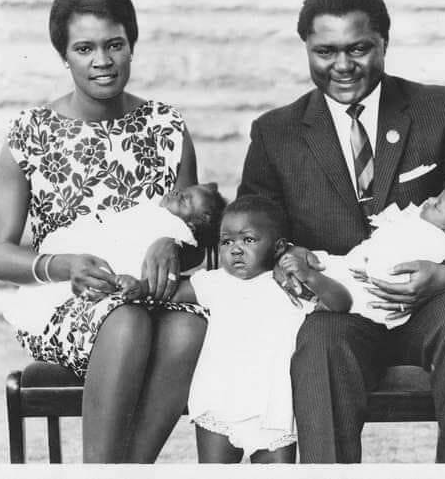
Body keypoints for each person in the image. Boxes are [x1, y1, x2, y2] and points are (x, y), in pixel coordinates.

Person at [238, 0, 445, 463]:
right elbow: (252, 227)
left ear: (384, 42)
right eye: (325, 51)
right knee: (318, 343)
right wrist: (286, 257)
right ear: (307, 50)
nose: (342, 65)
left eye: (359, 48)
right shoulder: (276, 133)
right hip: (339, 308)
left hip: (430, 303)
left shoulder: (437, 109)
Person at [0, 0, 209, 463]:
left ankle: (129, 469)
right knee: (125, 323)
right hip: (64, 300)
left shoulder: (166, 126)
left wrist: (174, 246)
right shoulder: (31, 133)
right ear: (64, 56)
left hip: (147, 291)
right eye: (84, 48)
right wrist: (64, 266)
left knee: (191, 329)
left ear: (132, 45)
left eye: (114, 45)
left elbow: (197, 234)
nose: (101, 61)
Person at [113, 195, 352, 463]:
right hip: (218, 402)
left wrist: (312, 277)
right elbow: (171, 292)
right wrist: (139, 287)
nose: (235, 249)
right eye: (227, 241)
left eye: (248, 240)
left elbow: (341, 303)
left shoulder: (289, 284)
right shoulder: (214, 282)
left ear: (278, 248)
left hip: (273, 408)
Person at [2, 183, 226, 338]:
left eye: (185, 200)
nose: (177, 193)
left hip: (112, 271)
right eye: (181, 191)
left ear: (198, 222)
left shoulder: (178, 231)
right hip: (78, 255)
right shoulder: (152, 210)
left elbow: (164, 270)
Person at [287, 185, 445, 330]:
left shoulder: (433, 239)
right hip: (359, 264)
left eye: (437, 206)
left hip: (383, 289)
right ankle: (308, 280)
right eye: (436, 196)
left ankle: (316, 288)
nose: (429, 200)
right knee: (327, 267)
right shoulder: (423, 222)